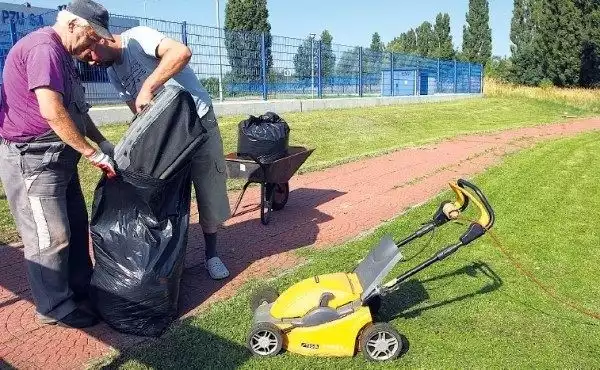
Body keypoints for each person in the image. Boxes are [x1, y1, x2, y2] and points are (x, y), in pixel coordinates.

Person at [81, 26, 232, 280]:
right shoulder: (113, 73)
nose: (92, 62)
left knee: (209, 191)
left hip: (198, 121)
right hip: (168, 137)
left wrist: (148, 86)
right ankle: (172, 257)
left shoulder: (138, 39)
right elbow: (137, 111)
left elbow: (181, 53)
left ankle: (212, 255)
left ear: (100, 37)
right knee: (168, 195)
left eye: (90, 54)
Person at [0, 0, 117, 328]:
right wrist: (92, 154)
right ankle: (54, 308)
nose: (93, 47)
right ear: (73, 25)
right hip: (33, 161)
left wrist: (101, 141)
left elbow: (77, 110)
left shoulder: (64, 55)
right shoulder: (44, 50)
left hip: (58, 159)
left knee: (76, 226)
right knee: (49, 235)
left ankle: (81, 290)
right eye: (91, 38)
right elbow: (52, 111)